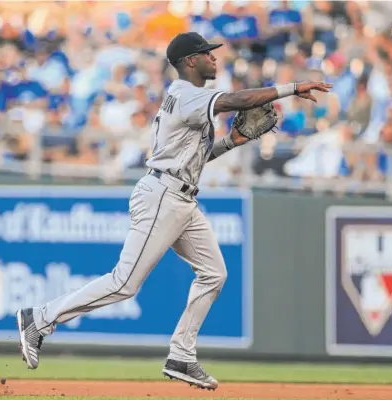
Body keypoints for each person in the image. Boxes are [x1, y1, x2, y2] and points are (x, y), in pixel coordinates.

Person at [16, 32, 331, 390]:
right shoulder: (185, 95)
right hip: (163, 196)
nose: (214, 58)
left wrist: (231, 141)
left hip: (180, 195)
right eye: (207, 53)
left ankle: (182, 354)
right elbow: (235, 100)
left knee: (214, 273)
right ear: (190, 61)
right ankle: (39, 318)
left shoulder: (188, 100)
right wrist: (290, 88)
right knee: (123, 283)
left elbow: (195, 159)